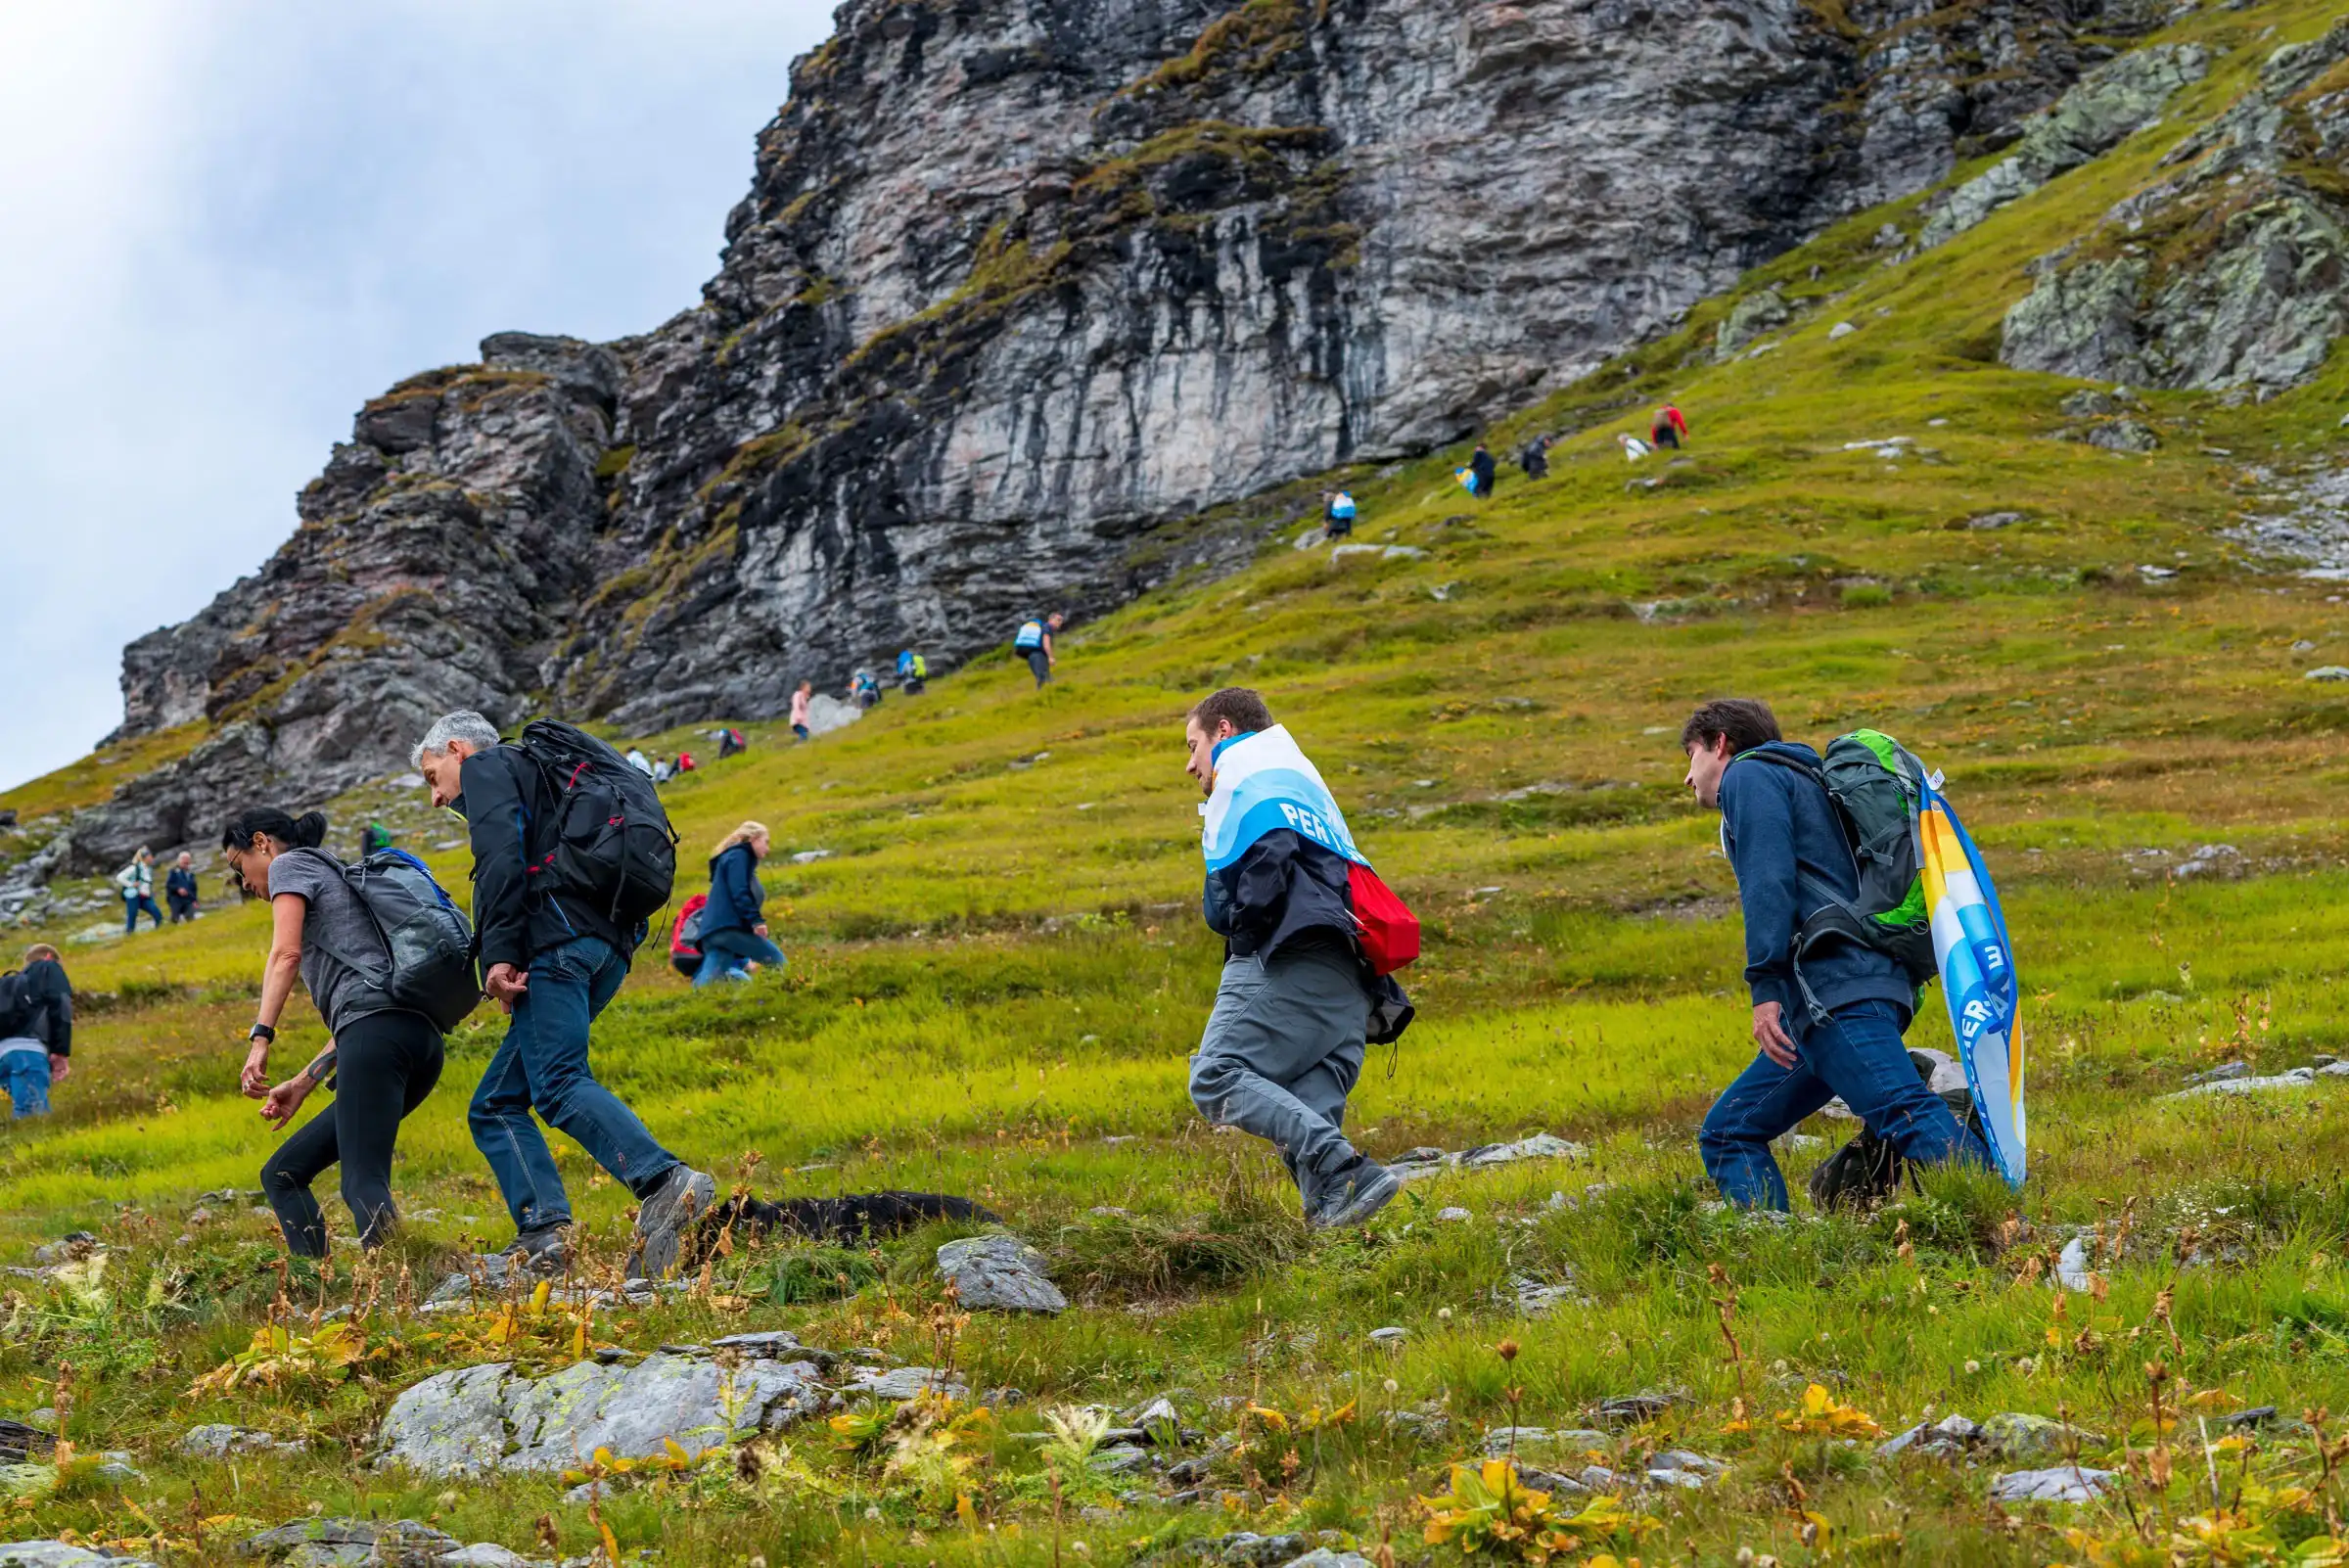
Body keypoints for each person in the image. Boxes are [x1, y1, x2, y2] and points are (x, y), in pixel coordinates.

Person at [411, 710, 714, 1276]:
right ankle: (545, 1232)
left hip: (559, 942)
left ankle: (665, 1182)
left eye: (433, 776)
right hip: (607, 947)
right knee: (497, 1103)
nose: (436, 797)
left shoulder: (489, 765)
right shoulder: (548, 773)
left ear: (456, 749)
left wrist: (499, 956)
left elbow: (500, 860)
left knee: (557, 1084)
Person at [1679, 699, 1988, 1212]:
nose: (1688, 777)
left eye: (1691, 756)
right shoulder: (1811, 781)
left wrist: (1765, 987)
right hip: (1861, 987)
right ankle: (1779, 1253)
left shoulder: (1750, 777)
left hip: (1835, 992)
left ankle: (2006, 1222)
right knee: (1729, 1131)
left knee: (1901, 1108)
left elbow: (1768, 881)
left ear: (1720, 744)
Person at [1183, 687, 1399, 1228]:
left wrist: (1243, 927)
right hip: (1353, 979)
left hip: (1291, 960)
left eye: (1193, 746)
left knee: (1215, 1075)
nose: (1190, 765)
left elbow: (1268, 856)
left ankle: (1345, 1167)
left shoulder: (1246, 770)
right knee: (1307, 1100)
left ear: (1224, 731)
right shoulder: (1299, 779)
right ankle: (1335, 1233)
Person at [220, 807, 445, 1257]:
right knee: (283, 1172)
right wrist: (305, 1081)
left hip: (378, 1036)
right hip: (415, 1040)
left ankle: (405, 1292)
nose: (243, 883)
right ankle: (318, 1287)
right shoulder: (337, 874)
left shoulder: (290, 864)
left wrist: (260, 1037)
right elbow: (362, 1010)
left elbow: (285, 954)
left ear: (261, 843)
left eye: (238, 866)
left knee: (362, 1180)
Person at [696, 822, 787, 988]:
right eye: (766, 842)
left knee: (707, 984)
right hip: (729, 928)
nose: (767, 849)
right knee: (778, 961)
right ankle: (784, 995)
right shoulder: (739, 856)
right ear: (753, 839)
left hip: (714, 931)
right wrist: (756, 921)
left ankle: (692, 1007)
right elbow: (739, 890)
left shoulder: (732, 858)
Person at [0, 945, 73, 1119]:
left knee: (40, 1117)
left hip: (3, 1057)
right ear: (50, 957)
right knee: (30, 1116)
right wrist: (61, 1052)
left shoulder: (8, 985)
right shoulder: (48, 967)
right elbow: (61, 1005)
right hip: (28, 1054)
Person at [116, 847, 161, 933]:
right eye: (150, 856)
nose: (152, 858)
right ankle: (129, 936)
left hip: (145, 897)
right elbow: (119, 877)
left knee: (157, 914)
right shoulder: (134, 868)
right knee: (132, 916)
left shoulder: (149, 869)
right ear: (145, 857)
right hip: (133, 896)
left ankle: (160, 931)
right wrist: (131, 884)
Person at [1015, 612, 1064, 688]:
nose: (1060, 622)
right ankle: (1048, 694)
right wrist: (1050, 657)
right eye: (1058, 620)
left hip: (1031, 656)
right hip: (1038, 655)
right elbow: (1046, 642)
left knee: (1042, 678)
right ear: (1051, 619)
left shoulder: (1042, 627)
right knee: (1044, 678)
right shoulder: (1047, 626)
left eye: (1061, 621)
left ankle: (1044, 695)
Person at [165, 852, 201, 923]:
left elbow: (194, 889)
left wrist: (195, 900)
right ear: (179, 862)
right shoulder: (174, 872)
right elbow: (169, 885)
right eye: (184, 863)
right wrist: (178, 889)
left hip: (188, 899)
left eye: (187, 863)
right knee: (175, 919)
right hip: (175, 899)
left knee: (190, 919)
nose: (186, 865)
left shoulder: (191, 874)